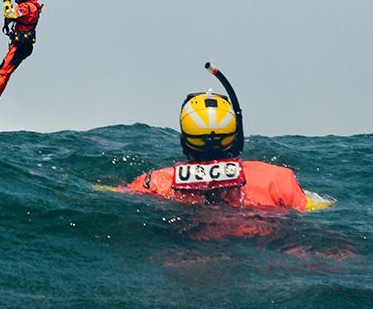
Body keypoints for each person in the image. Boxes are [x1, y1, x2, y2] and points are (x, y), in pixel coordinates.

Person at [120, 63, 334, 210]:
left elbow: (109, 194)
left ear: (184, 141)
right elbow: (316, 208)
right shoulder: (278, 180)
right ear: (235, 136)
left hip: (184, 253)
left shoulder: (152, 183)